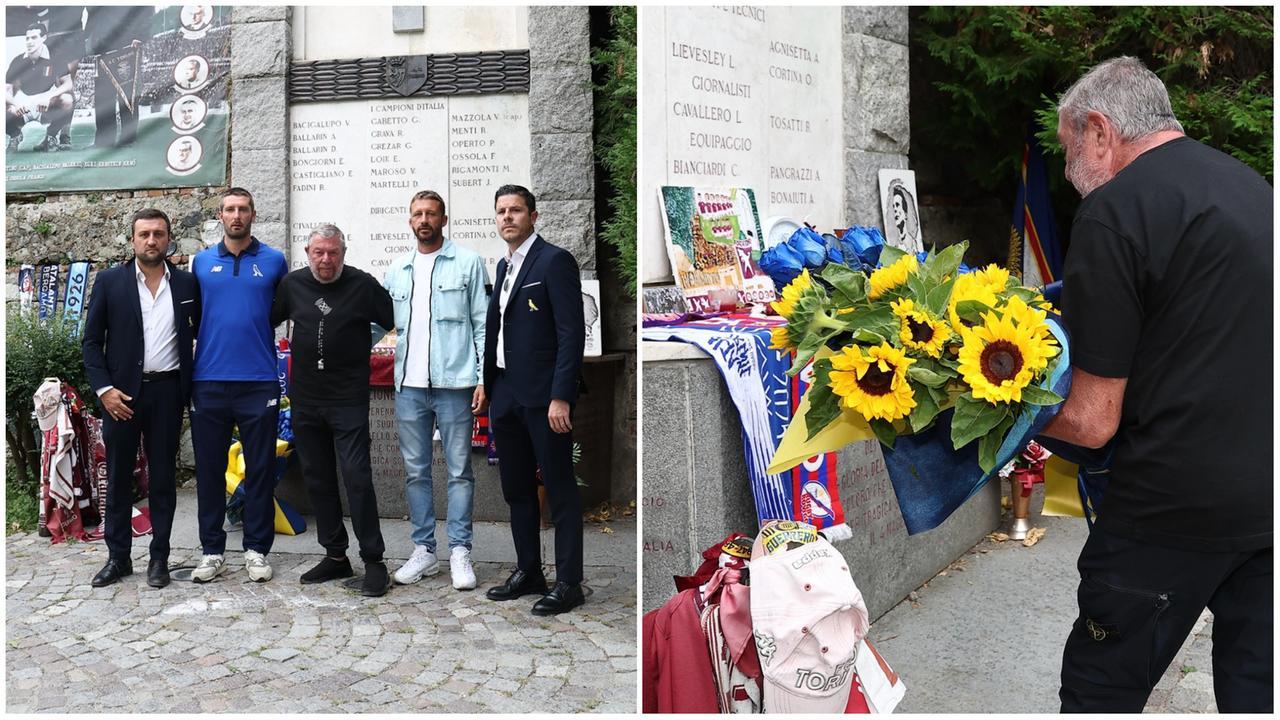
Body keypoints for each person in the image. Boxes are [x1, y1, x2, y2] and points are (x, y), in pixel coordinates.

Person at [1040, 57, 1272, 713]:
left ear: (1099, 130)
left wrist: (989, 417)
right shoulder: (1254, 188)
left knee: (1100, 691)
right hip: (1269, 498)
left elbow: (1091, 419)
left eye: (1067, 149)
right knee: (1257, 694)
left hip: (1170, 506)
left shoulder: (1118, 210)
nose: (1068, 172)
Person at [270, 225, 395, 597]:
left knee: (357, 477)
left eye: (333, 253)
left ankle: (374, 561)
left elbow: (395, 322)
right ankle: (335, 555)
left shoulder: (362, 285)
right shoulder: (292, 285)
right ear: (307, 251)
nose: (326, 260)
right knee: (318, 477)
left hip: (348, 399)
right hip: (306, 399)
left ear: (344, 251)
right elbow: (267, 321)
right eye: (319, 253)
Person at [481, 184, 587, 615]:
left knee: (558, 489)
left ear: (533, 216)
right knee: (517, 488)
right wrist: (486, 384)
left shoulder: (554, 261)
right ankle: (529, 570)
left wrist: (561, 396)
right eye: (502, 211)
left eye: (516, 211)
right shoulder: (504, 268)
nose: (508, 217)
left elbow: (570, 333)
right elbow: (498, 333)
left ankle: (569, 582)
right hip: (505, 393)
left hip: (545, 399)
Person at [82, 209, 200, 588]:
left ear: (169, 239)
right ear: (133, 240)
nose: (152, 240)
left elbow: (199, 335)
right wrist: (104, 391)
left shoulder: (187, 286)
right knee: (118, 478)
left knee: (164, 478)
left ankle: (159, 559)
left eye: (159, 234)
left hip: (167, 391)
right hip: (121, 395)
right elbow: (90, 343)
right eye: (144, 234)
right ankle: (118, 558)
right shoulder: (110, 282)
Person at [381, 190, 488, 591]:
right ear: (410, 221)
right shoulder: (398, 269)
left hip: (455, 383)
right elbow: (380, 323)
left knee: (460, 470)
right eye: (417, 214)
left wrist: (482, 378)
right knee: (415, 471)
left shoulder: (468, 263)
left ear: (444, 219)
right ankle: (424, 550)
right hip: (409, 385)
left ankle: (460, 550)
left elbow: (481, 325)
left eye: (431, 214)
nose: (424, 220)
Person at [189, 187, 289, 584]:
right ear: (220, 214)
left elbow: (284, 311)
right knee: (210, 471)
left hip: (258, 382)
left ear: (253, 214)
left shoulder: (274, 261)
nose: (236, 216)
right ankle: (212, 551)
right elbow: (192, 317)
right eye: (230, 209)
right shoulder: (200, 262)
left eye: (243, 209)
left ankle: (256, 550)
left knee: (261, 470)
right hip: (208, 381)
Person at [85, 6, 150, 148]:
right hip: (102, 46)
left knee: (127, 94)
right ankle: (103, 139)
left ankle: (128, 139)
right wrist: (88, 36)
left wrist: (141, 35)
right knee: (103, 98)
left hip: (126, 44)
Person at [5, 23, 75, 152]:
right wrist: (15, 104)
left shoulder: (55, 57)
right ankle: (15, 136)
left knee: (67, 99)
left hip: (45, 104)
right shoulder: (18, 61)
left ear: (44, 38)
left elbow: (68, 83)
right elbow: (4, 91)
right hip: (24, 104)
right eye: (28, 38)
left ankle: (51, 137)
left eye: (34, 37)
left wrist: (49, 96)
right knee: (5, 106)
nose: (30, 42)